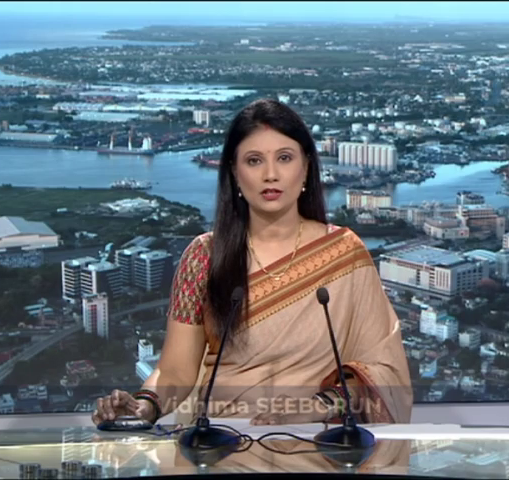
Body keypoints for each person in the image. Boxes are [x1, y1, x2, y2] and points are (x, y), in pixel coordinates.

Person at [92, 98, 412, 427]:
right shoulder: (204, 257)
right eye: (254, 160)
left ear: (305, 167)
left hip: (317, 443)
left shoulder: (344, 253)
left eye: (284, 158)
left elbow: (382, 368)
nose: (270, 174)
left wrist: (321, 405)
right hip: (221, 443)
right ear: (234, 172)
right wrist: (145, 405)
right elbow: (175, 371)